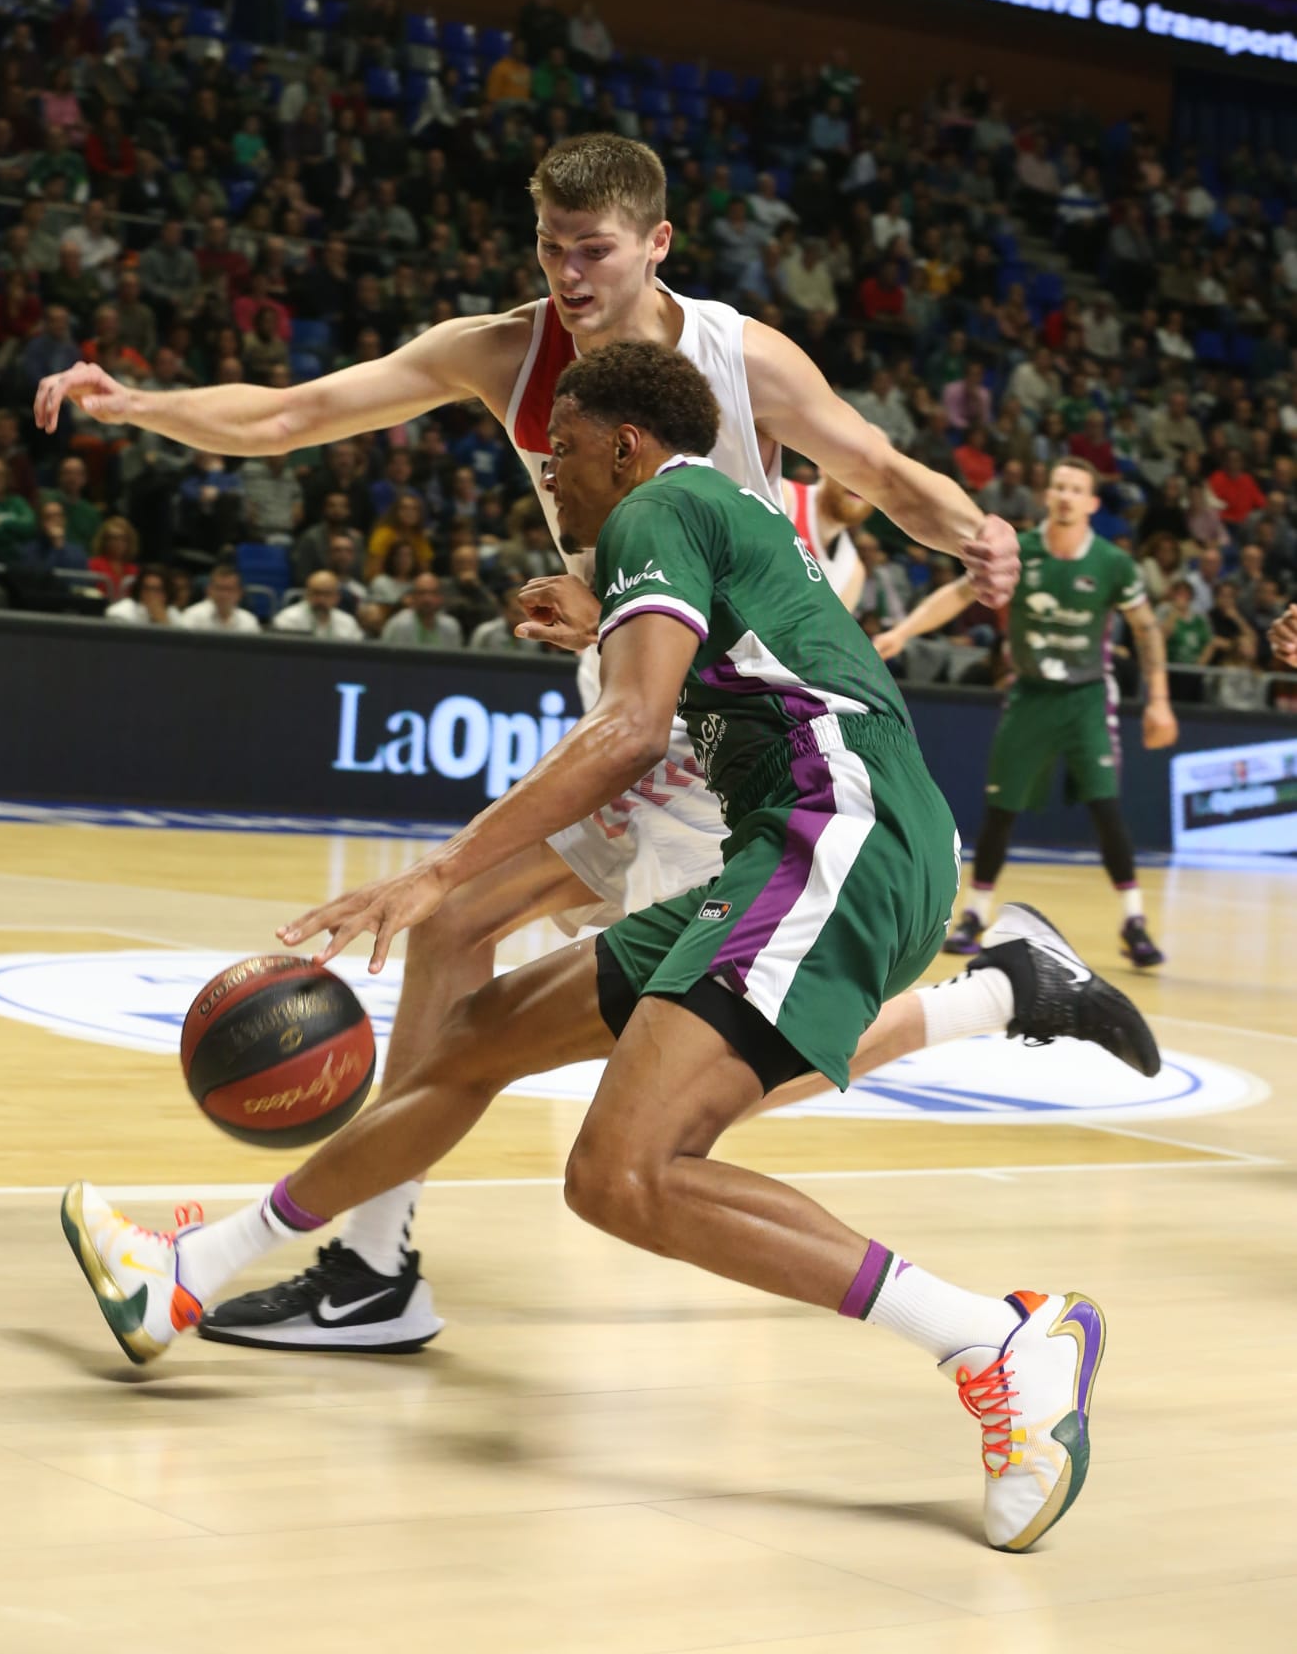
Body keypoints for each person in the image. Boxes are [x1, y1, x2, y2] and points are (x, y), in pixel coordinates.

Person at [36, 132, 1134, 1350]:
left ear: (657, 245)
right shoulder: (505, 352)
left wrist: (977, 532)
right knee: (490, 962)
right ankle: (362, 1262)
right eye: (550, 247)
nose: (567, 272)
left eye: (593, 249)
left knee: (682, 1084)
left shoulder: (734, 355)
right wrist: (139, 405)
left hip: (739, 739)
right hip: (658, 714)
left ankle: (988, 1016)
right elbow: (297, 410)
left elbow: (876, 464)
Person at [63, 344, 1139, 1556]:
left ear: (623, 443)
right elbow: (752, 659)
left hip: (838, 835)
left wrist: (436, 868)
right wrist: (604, 613)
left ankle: (998, 1338)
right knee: (469, 1044)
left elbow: (629, 728)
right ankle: (192, 1272)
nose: (546, 471)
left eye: (560, 449)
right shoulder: (712, 508)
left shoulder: (658, 504)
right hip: (796, 839)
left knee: (622, 1171)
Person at [876, 459, 1179, 969]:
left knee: (1106, 810)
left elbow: (1147, 629)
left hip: (1085, 698)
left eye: (1076, 489)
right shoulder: (1024, 552)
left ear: (1092, 504)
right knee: (1000, 810)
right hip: (1030, 695)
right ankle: (974, 914)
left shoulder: (1113, 563)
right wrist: (903, 632)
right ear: (1048, 495)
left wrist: (1160, 699)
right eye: (1058, 486)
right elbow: (958, 592)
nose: (1065, 495)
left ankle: (1134, 921)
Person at [780, 470, 868, 610]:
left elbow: (828, 631)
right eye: (855, 467)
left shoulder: (852, 573)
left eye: (874, 478)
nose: (862, 483)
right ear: (822, 466)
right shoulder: (783, 495)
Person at [271, 568, 364, 640]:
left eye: (327, 594)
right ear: (307, 595)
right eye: (316, 593)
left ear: (337, 597)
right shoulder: (288, 620)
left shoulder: (348, 623)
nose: (321, 599)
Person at [380, 570, 463, 648]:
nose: (427, 599)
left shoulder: (451, 627)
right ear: (412, 597)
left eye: (433, 593)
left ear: (440, 598)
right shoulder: (399, 624)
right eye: (421, 593)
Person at [181, 563, 261, 635]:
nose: (223, 595)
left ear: (239, 593)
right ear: (209, 590)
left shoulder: (249, 621)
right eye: (219, 588)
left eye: (229, 589)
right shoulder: (192, 616)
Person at [106, 565, 182, 627]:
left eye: (157, 590)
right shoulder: (120, 613)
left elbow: (180, 643)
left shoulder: (172, 613)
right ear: (139, 590)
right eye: (147, 588)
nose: (151, 595)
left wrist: (164, 622)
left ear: (167, 593)